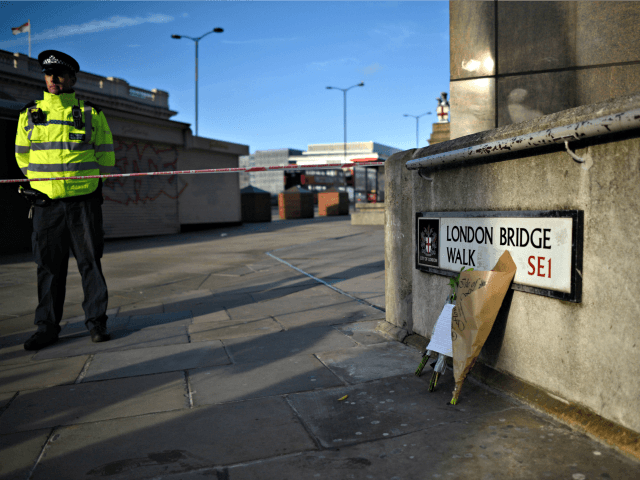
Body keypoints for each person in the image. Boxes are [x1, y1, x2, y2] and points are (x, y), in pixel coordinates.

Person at [15, 50, 116, 350]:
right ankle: (46, 328)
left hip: (83, 204)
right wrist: (41, 184)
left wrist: (83, 181)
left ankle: (96, 323)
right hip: (46, 205)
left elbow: (106, 157)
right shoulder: (28, 114)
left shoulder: (90, 113)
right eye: (49, 74)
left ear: (72, 78)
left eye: (60, 74)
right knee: (48, 267)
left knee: (90, 264)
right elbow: (22, 157)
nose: (53, 79)